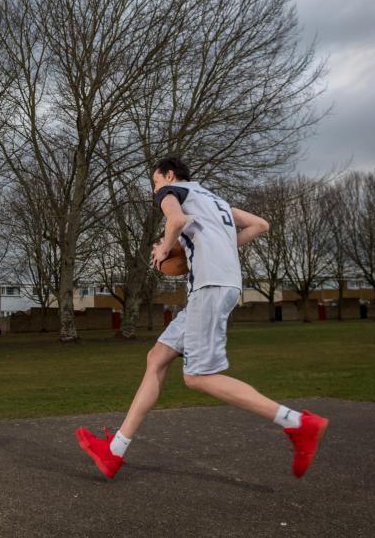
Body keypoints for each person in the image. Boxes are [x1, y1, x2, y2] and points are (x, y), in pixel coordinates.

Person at [75, 157, 328, 480]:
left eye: (155, 181)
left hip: (211, 288)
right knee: (156, 358)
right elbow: (260, 225)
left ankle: (298, 424)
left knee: (198, 377)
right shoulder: (215, 201)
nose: (155, 189)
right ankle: (114, 452)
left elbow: (176, 220)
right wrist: (217, 246)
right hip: (215, 288)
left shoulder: (172, 191)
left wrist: (166, 248)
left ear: (168, 175)